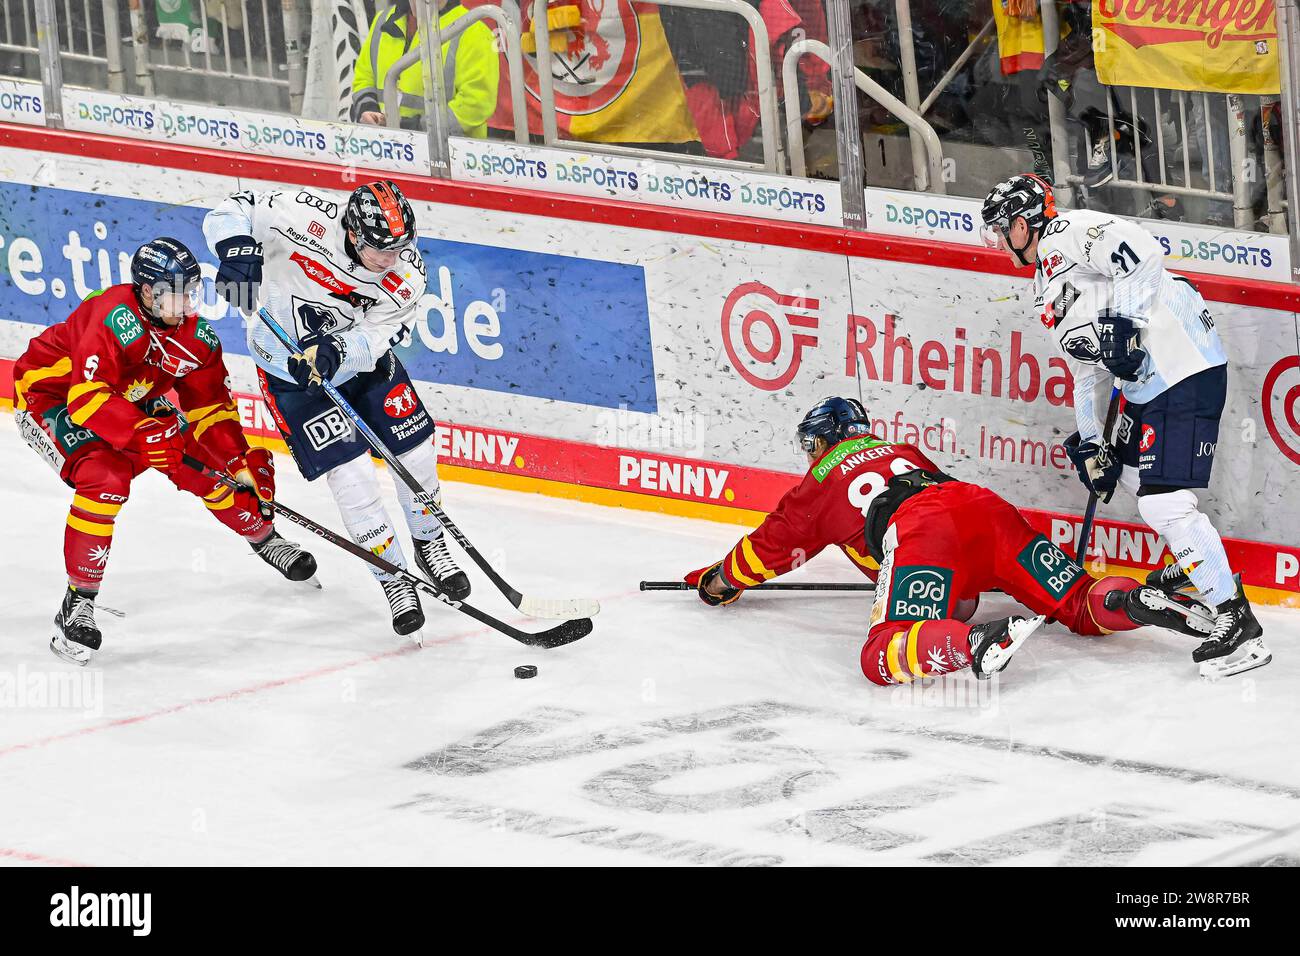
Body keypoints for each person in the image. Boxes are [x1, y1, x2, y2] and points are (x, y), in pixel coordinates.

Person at [685, 397, 1215, 685]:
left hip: (924, 533)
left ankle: (975, 645)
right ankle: (1134, 600)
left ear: (820, 442)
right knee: (1078, 602)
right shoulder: (904, 451)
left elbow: (766, 550)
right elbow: (954, 538)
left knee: (882, 655)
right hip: (986, 510)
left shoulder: (818, 481)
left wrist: (716, 582)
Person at [980, 173, 1270, 680]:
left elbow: (1142, 255)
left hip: (1182, 367)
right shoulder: (1045, 284)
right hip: (1147, 387)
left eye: (1000, 231)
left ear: (1023, 224)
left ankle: (1236, 619)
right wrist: (1093, 442)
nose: (998, 244)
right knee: (1136, 481)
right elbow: (1085, 370)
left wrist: (1125, 323)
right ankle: (1194, 564)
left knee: (1164, 502)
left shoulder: (1068, 229)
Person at [12, 237, 317, 665]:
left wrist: (238, 462)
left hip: (129, 397)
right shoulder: (111, 314)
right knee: (106, 477)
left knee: (205, 465)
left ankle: (264, 536)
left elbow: (211, 410)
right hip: (53, 396)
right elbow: (87, 397)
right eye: (174, 292)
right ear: (147, 290)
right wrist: (141, 432)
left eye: (190, 291)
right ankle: (77, 602)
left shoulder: (198, 338)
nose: (185, 303)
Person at [203, 180, 469, 640]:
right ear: (352, 233)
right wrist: (235, 249)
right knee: (353, 477)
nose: (391, 260)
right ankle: (395, 578)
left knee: (417, 454)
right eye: (380, 251)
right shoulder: (300, 215)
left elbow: (375, 337)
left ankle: (430, 543)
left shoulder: (408, 274)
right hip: (288, 374)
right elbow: (229, 210)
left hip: (360, 365)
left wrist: (335, 352)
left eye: (401, 247)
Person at [350, 0, 499, 138]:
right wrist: (367, 109)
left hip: (451, 156)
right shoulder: (382, 21)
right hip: (385, 148)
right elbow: (363, 78)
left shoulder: (474, 32)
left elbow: (475, 105)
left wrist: (412, 128)